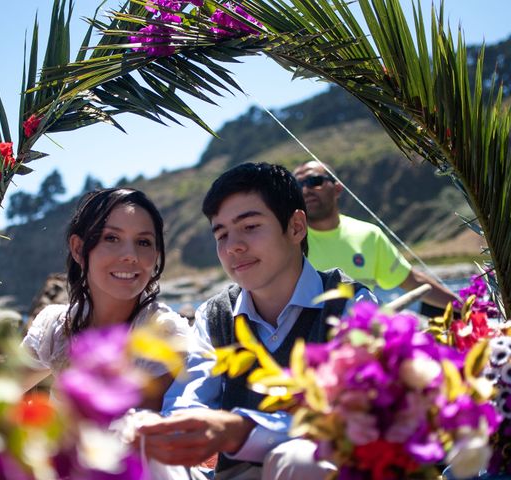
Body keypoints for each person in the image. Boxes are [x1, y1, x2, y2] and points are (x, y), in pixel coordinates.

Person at [137, 163, 375, 480]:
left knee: (301, 459)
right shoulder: (216, 315)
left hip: (317, 469)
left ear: (295, 227)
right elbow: (188, 398)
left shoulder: (349, 305)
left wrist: (241, 430)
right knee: (144, 453)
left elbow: (356, 421)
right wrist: (179, 429)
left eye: (249, 227)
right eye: (221, 234)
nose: (233, 246)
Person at [21, 188, 193, 410]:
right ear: (79, 248)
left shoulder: (165, 337)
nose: (130, 255)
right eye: (112, 238)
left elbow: (145, 434)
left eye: (143, 242)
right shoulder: (56, 329)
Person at [293, 160, 458, 311]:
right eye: (297, 185)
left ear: (337, 188)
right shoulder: (288, 239)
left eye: (314, 181)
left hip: (363, 338)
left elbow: (413, 281)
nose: (305, 189)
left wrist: (464, 307)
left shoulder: (369, 235)